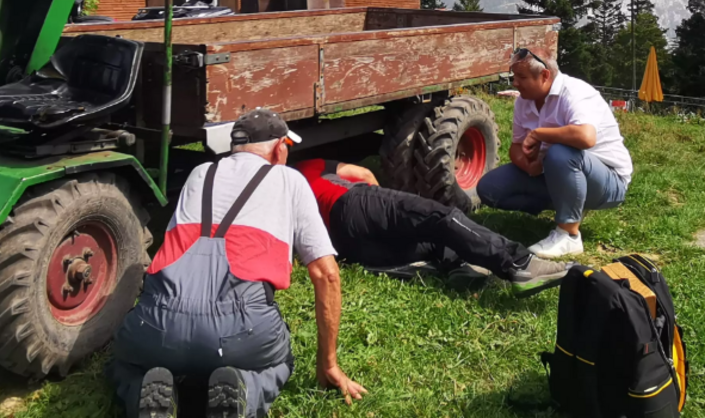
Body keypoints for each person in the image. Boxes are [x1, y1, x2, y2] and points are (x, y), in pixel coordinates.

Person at [108, 108, 366, 418]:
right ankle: (244, 388)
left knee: (124, 361)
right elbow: (326, 275)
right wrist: (329, 364)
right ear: (279, 147)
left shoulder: (200, 173)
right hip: (240, 327)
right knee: (278, 361)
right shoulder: (289, 180)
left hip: (159, 317)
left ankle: (142, 389)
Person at [294, 158, 570, 295]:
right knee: (439, 218)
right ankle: (519, 264)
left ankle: (458, 264)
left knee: (423, 242)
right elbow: (363, 174)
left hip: (341, 243)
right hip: (351, 201)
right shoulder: (308, 166)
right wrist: (386, 206)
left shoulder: (275, 191)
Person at [477, 48, 632, 258]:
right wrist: (527, 165)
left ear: (544, 75)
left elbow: (586, 138)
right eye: (514, 77)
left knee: (561, 153)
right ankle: (567, 205)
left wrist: (541, 134)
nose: (515, 83)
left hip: (608, 181)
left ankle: (568, 235)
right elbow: (515, 147)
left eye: (521, 77)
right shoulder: (524, 101)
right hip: (555, 172)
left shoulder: (576, 92)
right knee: (489, 188)